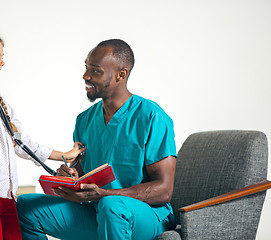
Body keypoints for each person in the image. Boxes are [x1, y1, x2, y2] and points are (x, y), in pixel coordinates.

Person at [16, 39, 177, 240]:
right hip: (99, 210)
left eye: (95, 70)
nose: (86, 76)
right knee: (25, 207)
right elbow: (84, 174)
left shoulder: (152, 117)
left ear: (121, 74)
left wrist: (106, 195)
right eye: (86, 67)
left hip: (147, 216)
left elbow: (164, 190)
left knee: (112, 206)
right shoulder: (84, 120)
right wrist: (70, 176)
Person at [0, 26, 84, 240]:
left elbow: (20, 142)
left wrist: (63, 155)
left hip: (6, 192)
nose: (2, 62)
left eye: (2, 57)